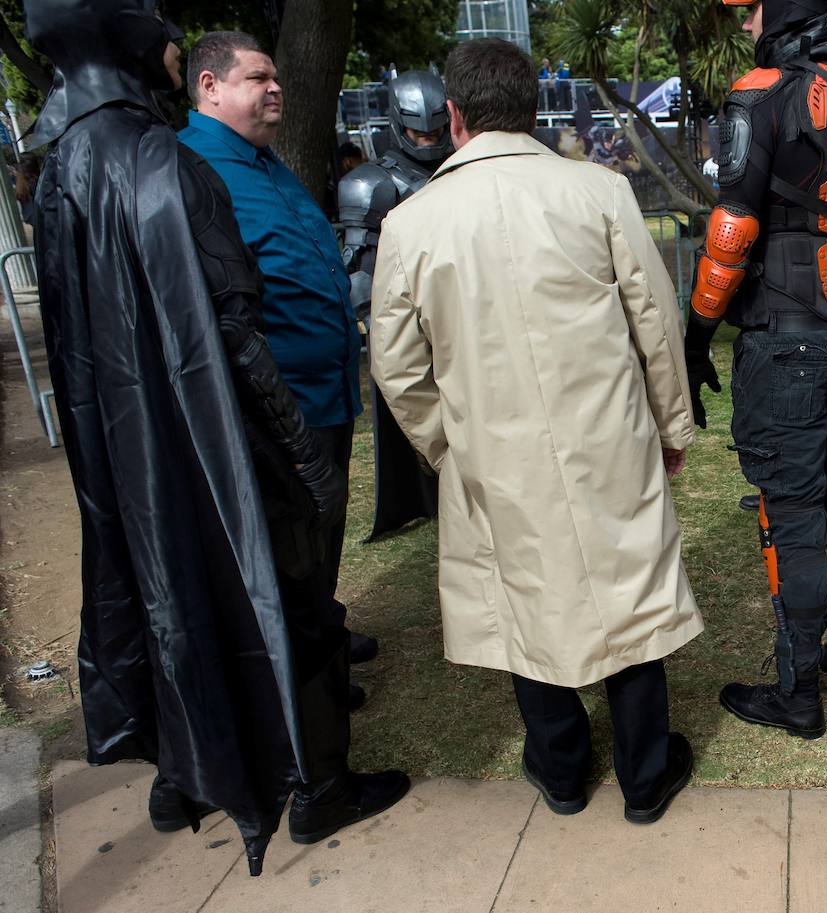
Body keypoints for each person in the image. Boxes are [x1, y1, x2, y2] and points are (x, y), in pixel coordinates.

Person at [26, 0, 406, 875]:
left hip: (180, 437)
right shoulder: (174, 164)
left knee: (237, 594)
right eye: (257, 76)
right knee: (286, 601)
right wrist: (296, 447)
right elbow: (228, 334)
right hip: (248, 433)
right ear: (193, 79)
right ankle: (317, 785)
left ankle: (187, 774)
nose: (276, 87)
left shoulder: (81, 163)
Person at [370, 38, 703, 824]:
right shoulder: (598, 191)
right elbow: (655, 321)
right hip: (607, 437)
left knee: (525, 594)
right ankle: (643, 775)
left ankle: (560, 769)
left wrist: (446, 444)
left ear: (454, 116)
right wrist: (670, 423)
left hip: (495, 448)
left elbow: (395, 364)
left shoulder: (411, 222)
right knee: (628, 590)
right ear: (531, 110)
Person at [684, 0, 827, 739]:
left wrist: (696, 337)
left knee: (793, 518)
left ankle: (798, 694)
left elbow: (733, 228)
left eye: (751, 10)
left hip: (787, 347)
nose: (746, 24)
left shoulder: (759, 94)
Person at [179, 32, 380, 688]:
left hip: (326, 393)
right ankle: (307, 673)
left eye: (276, 78)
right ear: (209, 86)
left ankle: (322, 625)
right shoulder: (194, 167)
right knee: (290, 547)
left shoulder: (265, 162)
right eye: (257, 78)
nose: (276, 88)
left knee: (320, 536)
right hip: (278, 405)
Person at [338, 71, 451, 540]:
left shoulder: (464, 164)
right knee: (418, 412)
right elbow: (360, 268)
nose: (427, 140)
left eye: (434, 130)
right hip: (407, 318)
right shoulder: (370, 184)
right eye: (416, 131)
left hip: (463, 311)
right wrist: (379, 330)